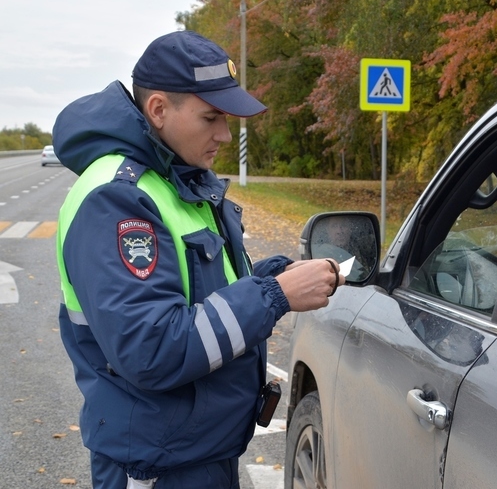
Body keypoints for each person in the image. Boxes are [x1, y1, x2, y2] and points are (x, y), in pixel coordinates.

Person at [53, 30, 344, 489]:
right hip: (155, 468)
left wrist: (269, 276)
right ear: (159, 110)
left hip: (195, 454)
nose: (225, 135)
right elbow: (150, 349)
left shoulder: (179, 180)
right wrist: (273, 295)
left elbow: (200, 294)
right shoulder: (118, 197)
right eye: (210, 118)